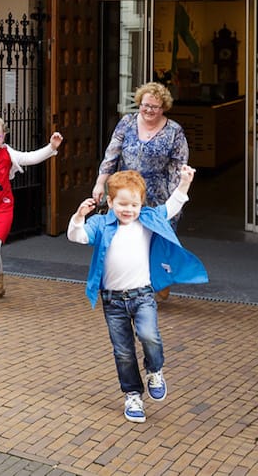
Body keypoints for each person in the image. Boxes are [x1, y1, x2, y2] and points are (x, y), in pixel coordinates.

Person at [68, 166, 207, 424]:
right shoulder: (100, 223)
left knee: (149, 336)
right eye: (122, 204)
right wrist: (78, 217)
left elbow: (172, 206)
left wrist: (185, 182)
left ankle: (154, 370)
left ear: (141, 203)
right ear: (110, 202)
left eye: (134, 204)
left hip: (143, 295)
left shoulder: (148, 219)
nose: (128, 209)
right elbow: (77, 236)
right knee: (123, 351)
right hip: (112, 300)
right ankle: (132, 394)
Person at [91, 81, 191, 299]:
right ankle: (127, 284)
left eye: (154, 107)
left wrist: (177, 198)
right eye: (145, 105)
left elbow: (177, 167)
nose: (148, 110)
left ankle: (159, 279)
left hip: (159, 192)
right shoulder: (126, 122)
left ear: (163, 107)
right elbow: (111, 155)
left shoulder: (174, 131)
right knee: (123, 237)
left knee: (156, 239)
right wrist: (101, 183)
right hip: (126, 189)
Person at [0, 117, 64, 308]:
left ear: (3, 136)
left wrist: (51, 147)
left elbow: (29, 158)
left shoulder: (7, 153)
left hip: (4, 205)